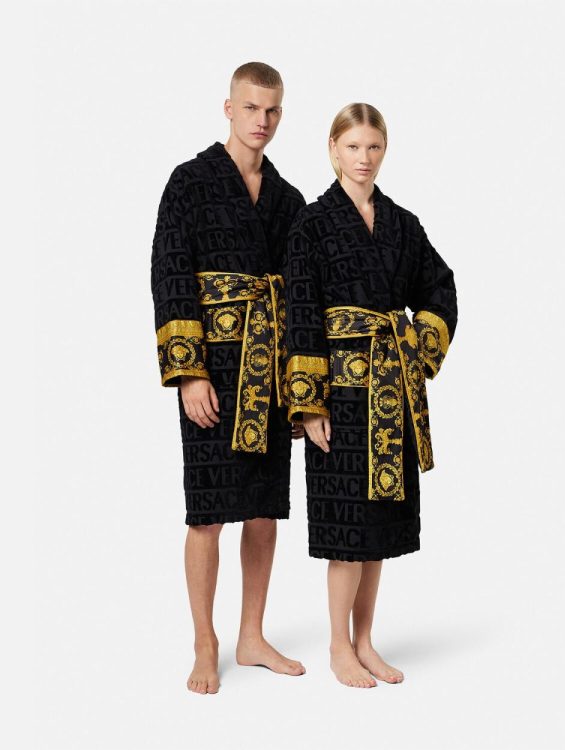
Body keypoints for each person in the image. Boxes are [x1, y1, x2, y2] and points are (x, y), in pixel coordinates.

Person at [283, 103, 458, 688]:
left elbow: (440, 288)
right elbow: (301, 314)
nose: (364, 158)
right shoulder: (310, 224)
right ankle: (338, 646)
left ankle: (365, 642)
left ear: (385, 151)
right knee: (346, 530)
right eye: (353, 146)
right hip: (338, 396)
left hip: (389, 393)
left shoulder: (403, 224)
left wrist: (418, 350)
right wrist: (309, 404)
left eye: (374, 147)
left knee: (378, 527)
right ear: (333, 149)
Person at [151, 62, 306, 695]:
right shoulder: (189, 182)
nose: (261, 121)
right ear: (228, 108)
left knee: (264, 510)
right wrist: (188, 373)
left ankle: (251, 635)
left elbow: (302, 294)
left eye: (271, 110)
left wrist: (302, 388)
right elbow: (170, 275)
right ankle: (204, 642)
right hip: (213, 370)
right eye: (250, 108)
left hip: (269, 372)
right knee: (208, 512)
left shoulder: (289, 199)